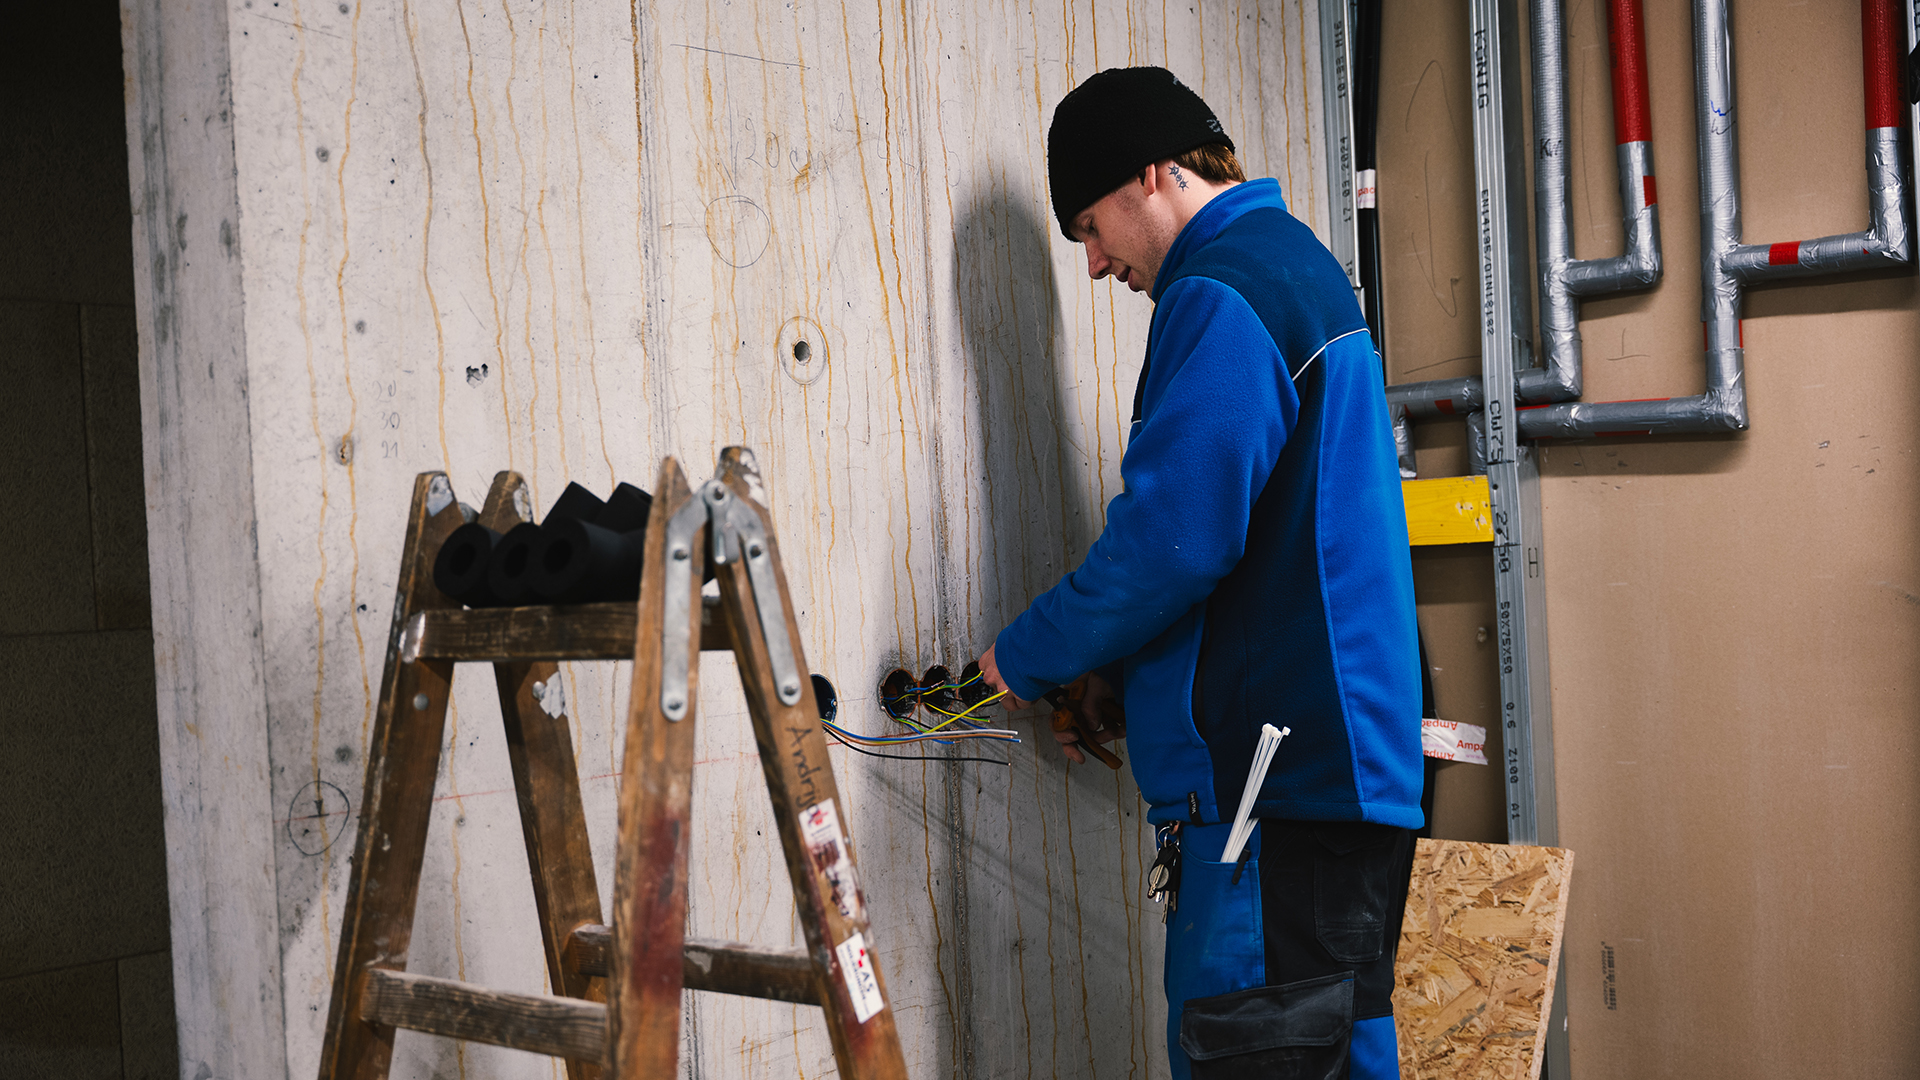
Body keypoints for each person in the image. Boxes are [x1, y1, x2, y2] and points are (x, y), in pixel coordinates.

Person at [974, 67, 1424, 1080]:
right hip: (1333, 790)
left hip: (1275, 796)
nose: (1093, 265)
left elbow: (1175, 543)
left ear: (1150, 177)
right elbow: (1258, 545)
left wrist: (1021, 659)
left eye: (1090, 227)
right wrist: (1124, 677)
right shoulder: (1292, 269)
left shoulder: (1222, 290)